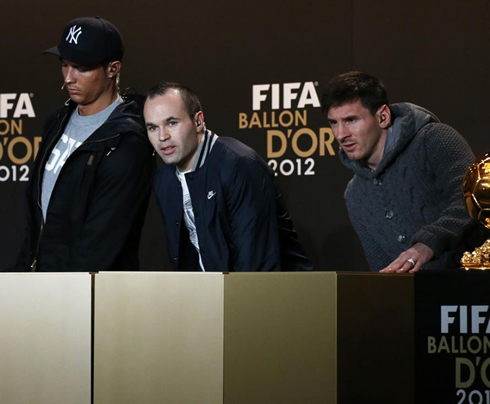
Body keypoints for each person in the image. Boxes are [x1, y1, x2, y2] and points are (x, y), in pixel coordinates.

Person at [15, 16, 154, 271]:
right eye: (64, 65)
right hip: (40, 287)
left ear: (112, 68)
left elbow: (100, 241)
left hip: (88, 295)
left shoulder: (127, 142)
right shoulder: (57, 120)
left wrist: (62, 296)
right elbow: (38, 221)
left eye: (81, 68)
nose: (69, 78)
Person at [322, 71, 481, 273]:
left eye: (351, 120)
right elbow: (383, 269)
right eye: (333, 123)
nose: (341, 134)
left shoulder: (434, 140)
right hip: (422, 301)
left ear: (383, 116)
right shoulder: (354, 194)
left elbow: (475, 200)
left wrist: (426, 245)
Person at [144, 81, 312, 271]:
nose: (162, 136)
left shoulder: (238, 164)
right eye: (152, 128)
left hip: (279, 293)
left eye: (172, 123)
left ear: (198, 121)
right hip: (217, 293)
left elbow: (256, 263)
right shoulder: (164, 178)